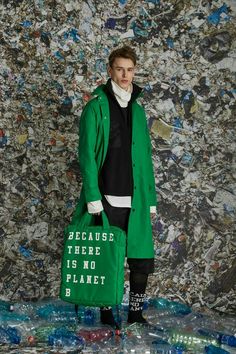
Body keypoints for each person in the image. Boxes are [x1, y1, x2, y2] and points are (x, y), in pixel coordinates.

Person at [73, 45, 157, 328]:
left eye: (130, 69)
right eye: (120, 69)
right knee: (108, 260)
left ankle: (135, 315)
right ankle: (107, 315)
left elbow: (145, 159)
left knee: (140, 260)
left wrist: (151, 198)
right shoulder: (95, 107)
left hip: (136, 200)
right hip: (106, 199)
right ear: (110, 70)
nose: (125, 75)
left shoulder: (138, 110)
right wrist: (92, 196)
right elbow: (86, 155)